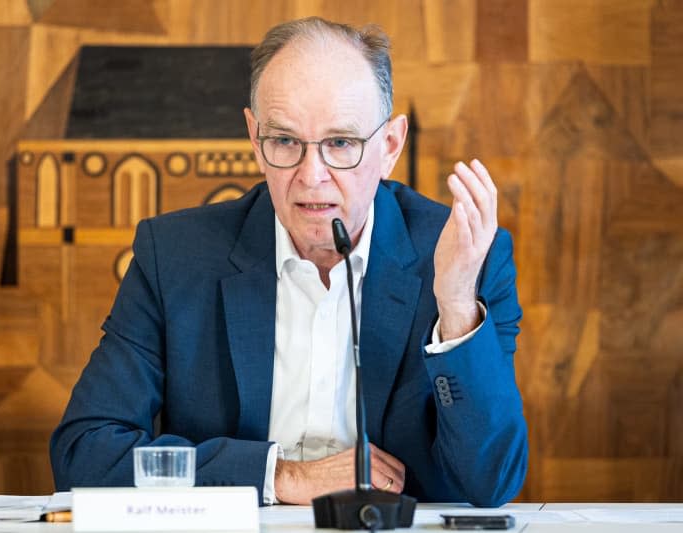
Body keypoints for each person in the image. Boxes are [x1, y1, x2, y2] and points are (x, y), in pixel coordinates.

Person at [50, 17, 527, 508]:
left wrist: (454, 308)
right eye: (285, 142)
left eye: (341, 143)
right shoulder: (173, 256)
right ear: (255, 139)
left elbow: (488, 482)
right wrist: (282, 477)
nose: (311, 176)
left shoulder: (465, 254)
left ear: (389, 146)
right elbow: (84, 451)